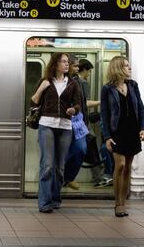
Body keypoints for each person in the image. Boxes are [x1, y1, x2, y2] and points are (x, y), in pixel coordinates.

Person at [30, 52, 81, 213]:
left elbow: (79, 105)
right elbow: (33, 101)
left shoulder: (73, 83)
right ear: (55, 64)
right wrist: (42, 88)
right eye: (64, 61)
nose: (67, 64)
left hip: (65, 126)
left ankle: (55, 199)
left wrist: (74, 109)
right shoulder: (45, 81)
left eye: (68, 62)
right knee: (47, 165)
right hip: (47, 125)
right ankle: (44, 203)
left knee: (59, 167)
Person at [100, 56, 144, 217]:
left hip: (132, 130)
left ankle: (123, 203)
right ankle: (117, 203)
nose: (129, 68)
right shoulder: (107, 89)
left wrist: (143, 128)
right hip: (117, 132)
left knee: (127, 167)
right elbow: (104, 115)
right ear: (118, 68)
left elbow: (141, 108)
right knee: (119, 165)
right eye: (126, 66)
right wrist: (106, 136)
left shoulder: (133, 85)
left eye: (129, 66)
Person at [63, 57, 88, 190]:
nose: (78, 68)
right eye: (75, 66)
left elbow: (82, 103)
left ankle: (68, 177)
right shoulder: (61, 81)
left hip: (78, 121)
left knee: (81, 149)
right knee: (63, 153)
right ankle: (61, 177)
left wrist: (85, 121)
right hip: (64, 120)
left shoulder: (78, 81)